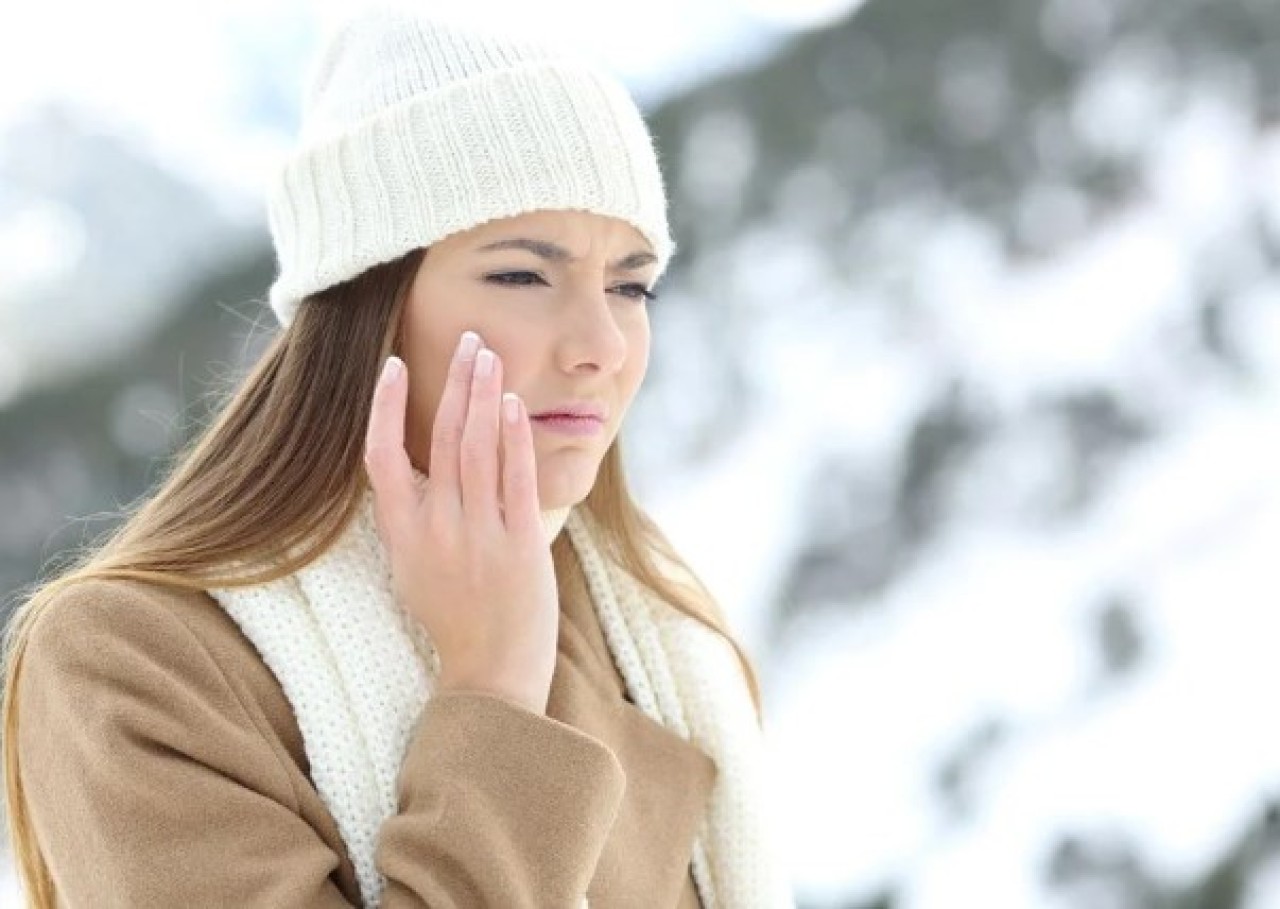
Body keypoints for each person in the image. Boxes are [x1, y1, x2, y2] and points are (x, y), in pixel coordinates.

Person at [1, 7, 793, 908]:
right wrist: (494, 689)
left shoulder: (650, 631)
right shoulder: (134, 659)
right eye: (522, 275)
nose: (603, 345)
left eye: (631, 285)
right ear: (366, 306)